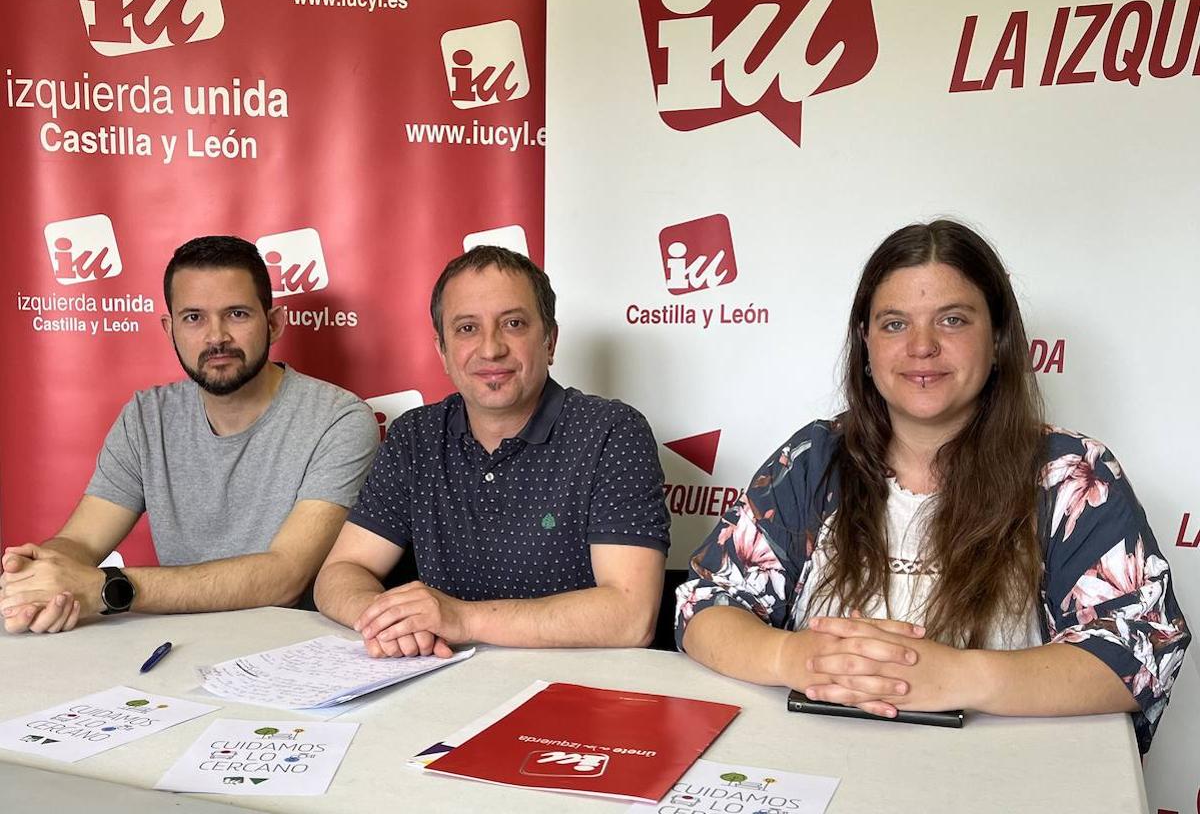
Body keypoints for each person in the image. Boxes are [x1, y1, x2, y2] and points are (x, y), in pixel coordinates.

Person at [676, 219, 1189, 753]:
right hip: (822, 766)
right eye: (895, 324)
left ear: (998, 341)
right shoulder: (813, 459)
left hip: (1011, 777)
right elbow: (706, 607)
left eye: (952, 320)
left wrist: (958, 677)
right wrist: (790, 657)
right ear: (866, 346)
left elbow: (1141, 650)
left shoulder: (1073, 474)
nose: (922, 347)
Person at [0, 236, 379, 633]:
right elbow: (81, 542)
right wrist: (41, 574)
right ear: (170, 329)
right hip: (171, 647)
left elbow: (286, 576)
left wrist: (110, 589)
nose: (216, 337)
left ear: (274, 323)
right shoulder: (147, 417)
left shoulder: (340, 420)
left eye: (236, 314)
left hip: (290, 655)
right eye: (193, 317)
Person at [315, 245, 670, 657]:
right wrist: (390, 619)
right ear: (442, 352)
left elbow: (630, 615)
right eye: (466, 328)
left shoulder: (611, 433)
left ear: (550, 341)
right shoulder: (415, 436)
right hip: (440, 679)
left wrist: (460, 618)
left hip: (574, 690)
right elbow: (340, 573)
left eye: (514, 324)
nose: (490, 348)